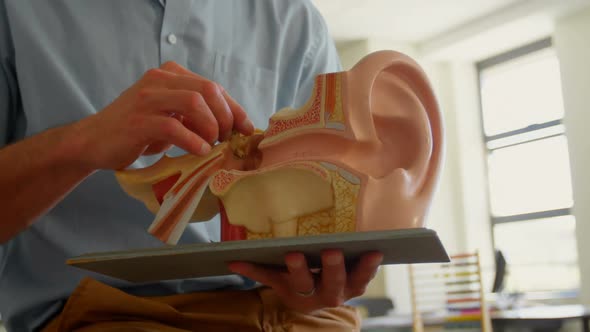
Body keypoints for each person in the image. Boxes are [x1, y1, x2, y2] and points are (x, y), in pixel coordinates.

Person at [0, 1, 383, 331]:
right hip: (111, 316)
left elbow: (336, 210)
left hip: (301, 316)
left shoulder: (294, 19)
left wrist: (324, 278)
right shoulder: (16, 13)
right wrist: (83, 142)